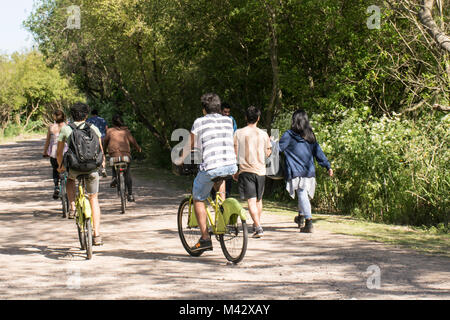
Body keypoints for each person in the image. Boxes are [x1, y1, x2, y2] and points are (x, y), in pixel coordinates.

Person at [175, 93, 237, 252]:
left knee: (198, 198)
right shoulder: (228, 121)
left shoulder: (199, 122)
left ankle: (204, 238)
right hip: (230, 166)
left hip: (210, 167)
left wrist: (180, 160)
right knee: (220, 182)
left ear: (204, 110)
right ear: (219, 107)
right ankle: (221, 218)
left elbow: (189, 145)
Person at [56, 102, 106, 246]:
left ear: (72, 115)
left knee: (70, 180)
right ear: (86, 115)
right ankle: (96, 235)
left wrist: (61, 167)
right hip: (91, 168)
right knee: (94, 199)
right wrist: (102, 164)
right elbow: (101, 150)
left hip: (75, 168)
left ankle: (72, 206)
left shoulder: (66, 129)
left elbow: (59, 153)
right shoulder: (94, 128)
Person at [279, 109, 333, 233]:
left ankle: (309, 222)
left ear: (294, 121)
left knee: (302, 193)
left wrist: (270, 142)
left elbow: (279, 149)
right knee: (302, 194)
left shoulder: (288, 135)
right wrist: (327, 166)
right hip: (309, 172)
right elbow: (318, 153)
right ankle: (301, 217)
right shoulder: (310, 136)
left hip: (295, 171)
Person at [233, 106, 271, 238]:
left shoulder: (238, 133)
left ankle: (258, 226)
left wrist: (236, 170)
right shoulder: (264, 134)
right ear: (258, 118)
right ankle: (257, 225)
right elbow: (268, 152)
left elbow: (235, 153)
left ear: (245, 118)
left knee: (251, 200)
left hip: (246, 170)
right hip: (261, 171)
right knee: (259, 200)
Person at [103, 114, 142, 202]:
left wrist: (104, 152)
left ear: (113, 122)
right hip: (126, 157)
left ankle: (114, 178)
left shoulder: (109, 131)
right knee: (128, 173)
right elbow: (133, 142)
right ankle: (131, 195)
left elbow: (105, 143)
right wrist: (138, 149)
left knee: (113, 163)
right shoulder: (126, 131)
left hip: (114, 156)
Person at [43, 110, 67, 200]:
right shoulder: (67, 127)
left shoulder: (51, 127)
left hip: (54, 153)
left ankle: (56, 186)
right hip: (65, 152)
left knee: (55, 169)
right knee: (67, 170)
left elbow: (47, 141)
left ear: (54, 117)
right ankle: (68, 186)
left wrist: (45, 152)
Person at [86, 109, 108, 177]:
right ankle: (103, 168)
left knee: (93, 153)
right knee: (102, 152)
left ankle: (95, 168)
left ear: (92, 114)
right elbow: (107, 128)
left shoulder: (88, 120)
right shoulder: (103, 120)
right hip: (102, 138)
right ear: (97, 113)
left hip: (92, 139)